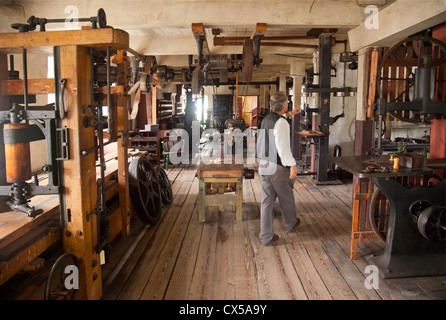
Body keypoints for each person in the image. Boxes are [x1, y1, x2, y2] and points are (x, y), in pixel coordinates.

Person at [256, 91, 301, 246]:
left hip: (263, 164)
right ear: (284, 104)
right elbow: (283, 148)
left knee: (267, 200)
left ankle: (266, 236)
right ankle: (290, 224)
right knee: (286, 196)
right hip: (276, 166)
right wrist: (292, 165)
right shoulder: (282, 123)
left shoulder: (266, 119)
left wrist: (290, 113)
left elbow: (278, 121)